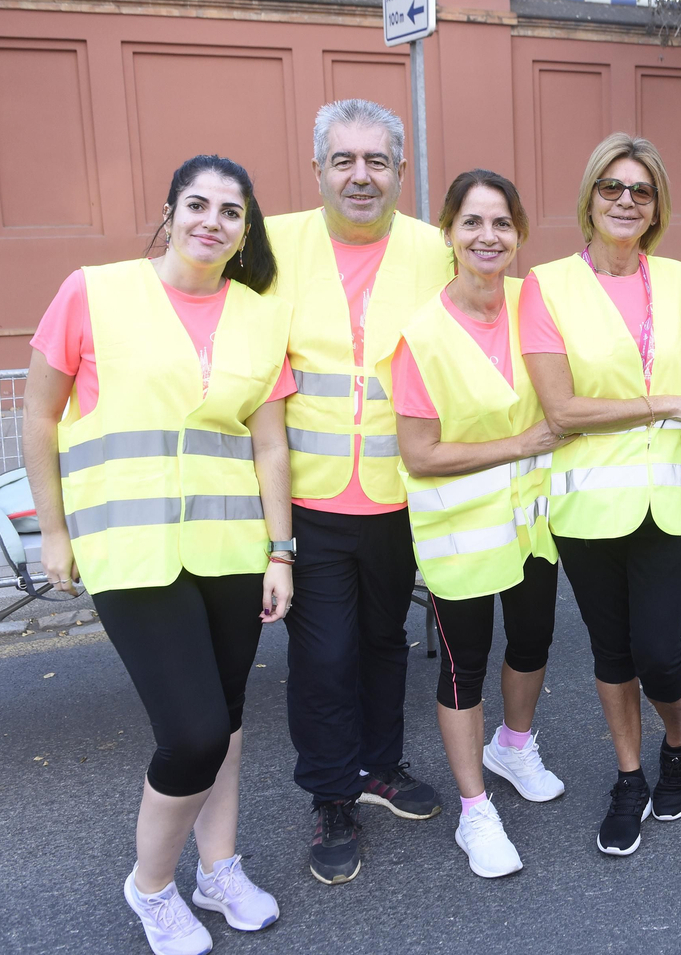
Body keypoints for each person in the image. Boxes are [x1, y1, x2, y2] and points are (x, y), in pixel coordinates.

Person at [25, 156, 294, 955]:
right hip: (131, 549)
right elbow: (40, 417)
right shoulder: (94, 291)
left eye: (231, 212)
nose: (212, 221)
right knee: (194, 732)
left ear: (246, 229)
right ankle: (150, 889)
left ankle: (218, 870)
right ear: (171, 210)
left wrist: (280, 551)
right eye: (198, 204)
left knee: (231, 723)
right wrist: (54, 530)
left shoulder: (258, 316)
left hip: (230, 548)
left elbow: (269, 447)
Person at [266, 100, 453, 885]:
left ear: (400, 172)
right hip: (309, 497)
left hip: (399, 492)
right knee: (324, 654)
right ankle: (331, 795)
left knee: (384, 642)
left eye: (377, 161)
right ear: (317, 170)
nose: (360, 175)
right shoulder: (270, 243)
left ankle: (379, 767)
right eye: (343, 161)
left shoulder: (434, 248)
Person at [521, 134, 681, 856]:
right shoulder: (547, 284)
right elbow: (561, 410)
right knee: (612, 651)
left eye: (641, 190)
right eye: (612, 187)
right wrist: (666, 402)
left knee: (658, 652)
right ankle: (630, 776)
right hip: (587, 505)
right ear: (589, 196)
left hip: (667, 502)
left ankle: (678, 738)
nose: (626, 201)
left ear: (657, 204)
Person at [387, 170, 573, 876]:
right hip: (460, 535)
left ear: (519, 233)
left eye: (502, 223)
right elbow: (419, 453)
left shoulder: (536, 303)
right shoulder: (423, 336)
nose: (488, 236)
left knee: (533, 640)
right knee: (463, 667)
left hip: (531, 525)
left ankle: (514, 745)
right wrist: (520, 444)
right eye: (473, 223)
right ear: (450, 235)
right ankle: (474, 811)